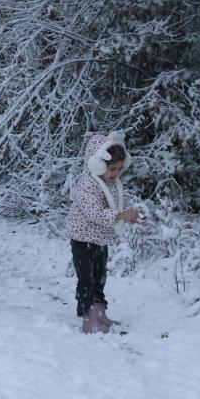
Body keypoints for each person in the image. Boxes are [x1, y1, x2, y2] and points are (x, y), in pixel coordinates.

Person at [65, 130, 143, 333]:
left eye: (119, 169)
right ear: (97, 163)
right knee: (86, 278)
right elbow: (93, 212)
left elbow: (118, 202)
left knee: (100, 276)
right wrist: (119, 216)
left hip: (100, 239)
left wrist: (129, 214)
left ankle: (100, 312)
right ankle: (88, 316)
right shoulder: (87, 184)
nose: (115, 173)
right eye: (112, 169)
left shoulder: (111, 183)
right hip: (82, 239)